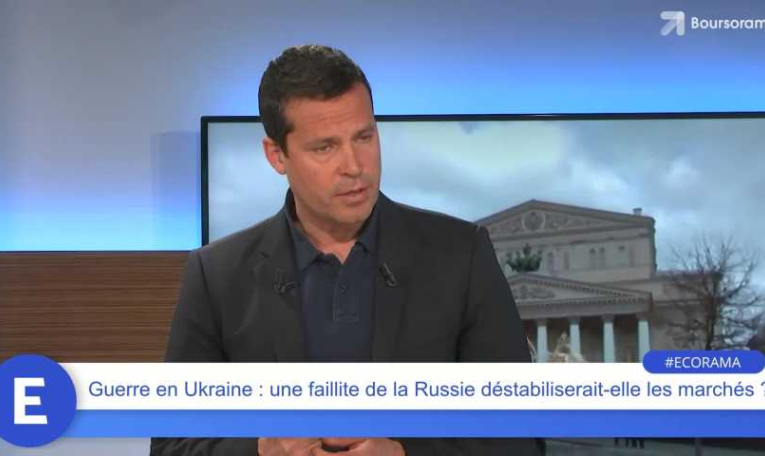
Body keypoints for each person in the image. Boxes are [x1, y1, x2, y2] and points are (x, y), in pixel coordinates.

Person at [151, 44, 543, 455]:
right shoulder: (216, 275)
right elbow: (171, 446)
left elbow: (521, 439)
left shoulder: (463, 256)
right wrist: (261, 451)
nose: (355, 166)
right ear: (276, 155)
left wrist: (405, 454)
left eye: (364, 137)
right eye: (325, 147)